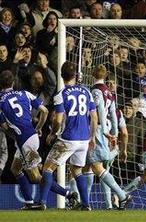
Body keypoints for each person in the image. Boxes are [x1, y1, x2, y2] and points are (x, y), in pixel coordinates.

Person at [0, 70, 76, 210]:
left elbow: (4, 126)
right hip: (32, 136)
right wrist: (39, 128)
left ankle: (69, 194)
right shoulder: (25, 93)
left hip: (24, 140)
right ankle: (29, 202)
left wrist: (15, 135)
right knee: (15, 169)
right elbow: (45, 111)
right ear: (13, 83)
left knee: (35, 176)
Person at [33, 61, 97, 210]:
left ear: (61, 76)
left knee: (48, 168)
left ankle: (41, 202)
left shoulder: (60, 94)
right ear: (75, 75)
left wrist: (53, 133)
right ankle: (86, 204)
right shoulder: (86, 91)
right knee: (76, 170)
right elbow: (94, 117)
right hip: (84, 139)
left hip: (69, 138)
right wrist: (92, 137)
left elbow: (58, 120)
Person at [85, 64, 131, 210]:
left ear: (92, 74)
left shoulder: (96, 91)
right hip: (104, 131)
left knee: (95, 166)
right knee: (86, 166)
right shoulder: (109, 93)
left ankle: (122, 195)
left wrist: (105, 131)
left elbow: (98, 111)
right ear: (105, 76)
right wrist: (115, 134)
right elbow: (113, 114)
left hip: (97, 130)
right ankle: (84, 202)